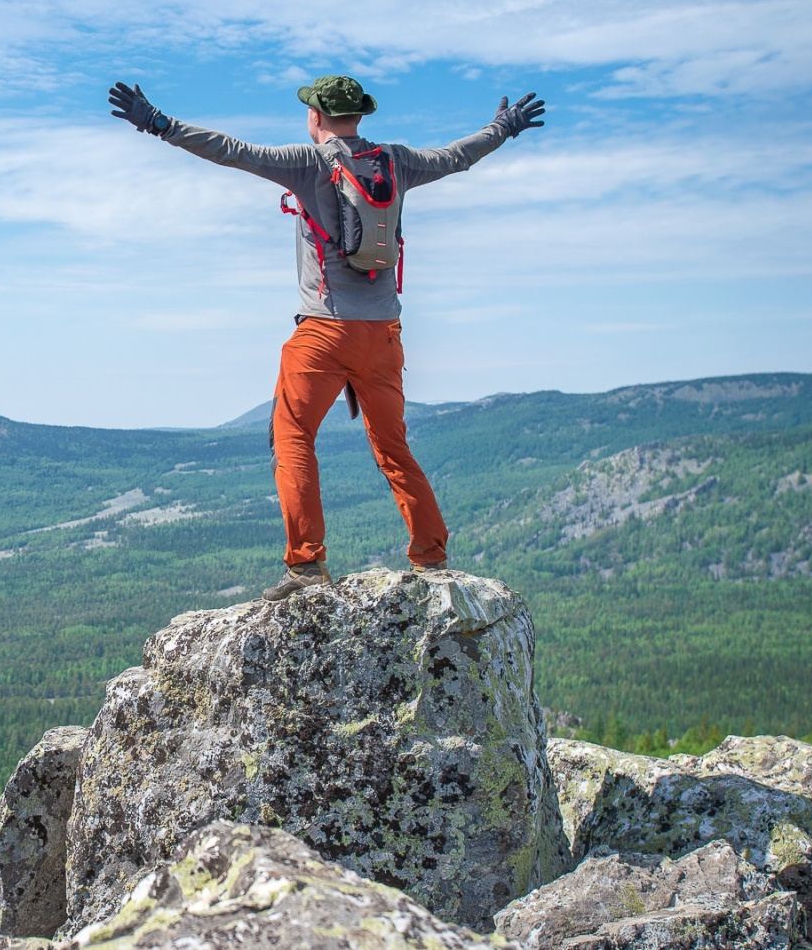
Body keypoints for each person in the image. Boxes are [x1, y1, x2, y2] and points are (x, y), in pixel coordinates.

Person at [107, 75, 545, 599]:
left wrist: (158, 124)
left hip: (323, 332)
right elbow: (458, 156)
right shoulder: (396, 161)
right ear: (360, 115)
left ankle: (306, 567)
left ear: (315, 116)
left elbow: (229, 151)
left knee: (292, 437)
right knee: (393, 448)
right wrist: (503, 127)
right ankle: (431, 556)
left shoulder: (308, 163)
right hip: (383, 334)